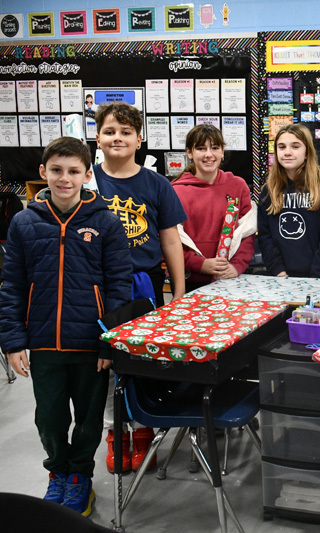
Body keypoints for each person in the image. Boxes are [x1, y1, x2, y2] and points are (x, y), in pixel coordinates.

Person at [0, 137, 131, 516]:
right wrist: (12, 341)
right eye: (56, 170)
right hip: (43, 344)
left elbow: (119, 287)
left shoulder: (105, 222)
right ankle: (58, 472)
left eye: (74, 171)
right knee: (49, 418)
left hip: (90, 345)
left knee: (89, 420)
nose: (64, 178)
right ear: (43, 173)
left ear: (87, 175)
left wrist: (110, 342)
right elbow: (12, 285)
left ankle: (80, 478)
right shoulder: (24, 223)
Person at [92, 101, 187, 473]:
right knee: (104, 365)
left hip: (145, 285)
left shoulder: (156, 184)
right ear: (97, 137)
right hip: (96, 289)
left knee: (143, 358)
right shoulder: (86, 180)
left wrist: (178, 293)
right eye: (111, 131)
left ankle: (144, 430)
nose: (118, 138)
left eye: (126, 132)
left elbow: (170, 241)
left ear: (139, 138)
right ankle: (116, 434)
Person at [172, 124, 255, 293]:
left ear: (222, 152)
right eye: (201, 148)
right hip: (190, 281)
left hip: (230, 279)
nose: (209, 155)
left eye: (215, 148)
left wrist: (237, 265)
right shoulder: (175, 191)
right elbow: (170, 240)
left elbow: (247, 232)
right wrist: (199, 264)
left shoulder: (237, 186)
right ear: (189, 152)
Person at [258, 123, 320, 278]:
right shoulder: (269, 190)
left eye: (295, 147)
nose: (287, 152)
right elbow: (265, 236)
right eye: (281, 147)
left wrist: (318, 274)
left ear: (307, 152)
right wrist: (278, 271)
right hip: (280, 277)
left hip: (318, 276)